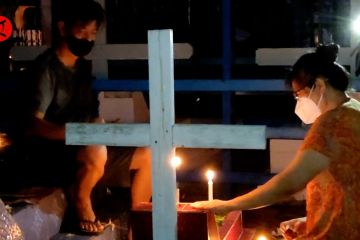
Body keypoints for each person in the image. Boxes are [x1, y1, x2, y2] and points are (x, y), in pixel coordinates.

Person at [191, 44, 360, 239]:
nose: (299, 104)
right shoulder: (354, 110)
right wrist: (311, 219)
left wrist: (228, 205)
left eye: (300, 95)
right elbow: (348, 184)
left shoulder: (330, 125)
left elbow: (289, 183)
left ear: (320, 86)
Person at [22, 0, 151, 235]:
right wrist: (74, 132)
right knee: (97, 149)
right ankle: (82, 200)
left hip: (89, 146)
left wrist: (99, 126)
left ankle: (137, 227)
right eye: (82, 32)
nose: (88, 40)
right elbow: (32, 124)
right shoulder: (47, 70)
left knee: (148, 156)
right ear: (63, 29)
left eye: (93, 33)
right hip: (58, 151)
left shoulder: (82, 69)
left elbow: (91, 113)